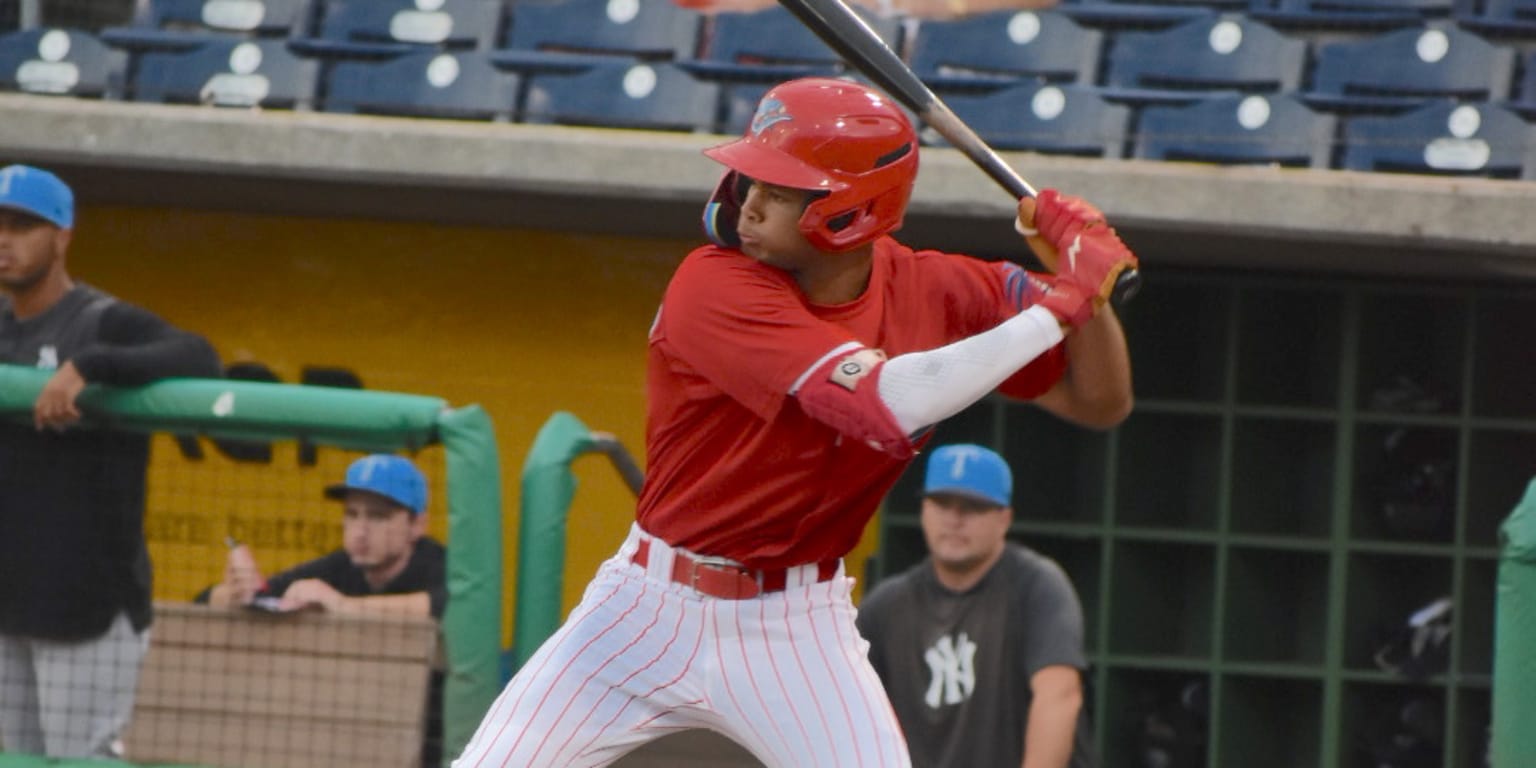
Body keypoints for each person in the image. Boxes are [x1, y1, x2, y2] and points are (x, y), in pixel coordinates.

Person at [454, 77, 1134, 768]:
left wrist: (1087, 283)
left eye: (780, 189)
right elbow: (883, 401)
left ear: (853, 211)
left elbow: (1099, 401)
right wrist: (1064, 302)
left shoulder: (935, 290)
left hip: (794, 623)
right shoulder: (713, 284)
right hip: (643, 608)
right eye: (751, 179)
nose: (748, 204)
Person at [0, 164, 223, 758]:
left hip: (88, 605)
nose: (5, 239)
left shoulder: (101, 321)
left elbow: (199, 355)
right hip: (9, 603)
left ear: (63, 235)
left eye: (23, 225)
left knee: (80, 762)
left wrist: (89, 366)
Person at [857, 444, 1095, 768]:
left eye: (973, 507)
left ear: (1004, 519)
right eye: (942, 503)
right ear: (924, 509)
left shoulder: (1037, 586)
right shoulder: (887, 606)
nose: (954, 519)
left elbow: (1060, 696)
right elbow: (845, 710)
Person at [203, 453, 446, 618]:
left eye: (377, 516)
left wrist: (342, 605)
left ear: (417, 525)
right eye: (352, 514)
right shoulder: (339, 566)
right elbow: (209, 599)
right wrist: (234, 595)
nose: (360, 531)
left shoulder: (444, 567)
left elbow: (443, 606)